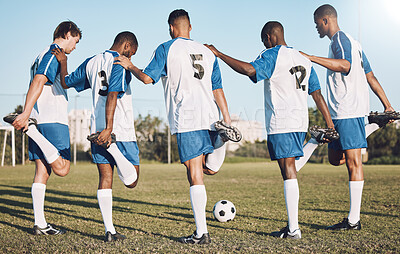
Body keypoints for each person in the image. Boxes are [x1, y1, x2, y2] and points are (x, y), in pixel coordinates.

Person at [114, 9, 241, 244]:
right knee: (208, 169)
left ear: (171, 27)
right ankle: (222, 138)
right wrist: (227, 119)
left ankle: (201, 233)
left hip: (188, 118)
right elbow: (218, 89)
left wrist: (130, 65)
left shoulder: (166, 48)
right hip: (212, 117)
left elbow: (147, 78)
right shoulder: (207, 52)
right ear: (190, 27)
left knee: (194, 174)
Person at [205, 21, 336, 239]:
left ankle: (293, 229)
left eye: (263, 41)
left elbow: (249, 70)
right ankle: (313, 140)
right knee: (290, 167)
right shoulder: (304, 58)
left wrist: (219, 53)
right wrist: (330, 124)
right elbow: (317, 94)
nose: (263, 45)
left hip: (282, 122)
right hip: (300, 122)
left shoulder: (273, 55)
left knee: (288, 171)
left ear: (269, 37)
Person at [299, 4, 396, 230]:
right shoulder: (356, 44)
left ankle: (353, 220)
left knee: (353, 163)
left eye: (316, 23)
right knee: (336, 159)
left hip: (348, 110)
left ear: (325, 20)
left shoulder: (339, 40)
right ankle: (371, 123)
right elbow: (370, 76)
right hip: (343, 113)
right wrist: (387, 105)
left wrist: (311, 58)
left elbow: (345, 65)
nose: (316, 28)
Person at [52, 31, 140, 242]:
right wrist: (110, 128)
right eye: (132, 53)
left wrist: (64, 62)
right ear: (127, 46)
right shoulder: (119, 62)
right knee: (132, 181)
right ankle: (113, 149)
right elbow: (112, 93)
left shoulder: (92, 61)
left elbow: (65, 82)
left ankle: (109, 231)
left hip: (96, 128)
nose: (131, 58)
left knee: (105, 178)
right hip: (119, 130)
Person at [3, 21, 81, 235]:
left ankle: (40, 224)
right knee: (63, 168)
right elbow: (38, 81)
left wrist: (29, 113)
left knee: (42, 172)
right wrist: (25, 114)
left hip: (39, 117)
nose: (75, 47)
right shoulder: (52, 54)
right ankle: (31, 130)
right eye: (75, 41)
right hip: (51, 119)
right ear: (67, 34)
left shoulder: (39, 55)